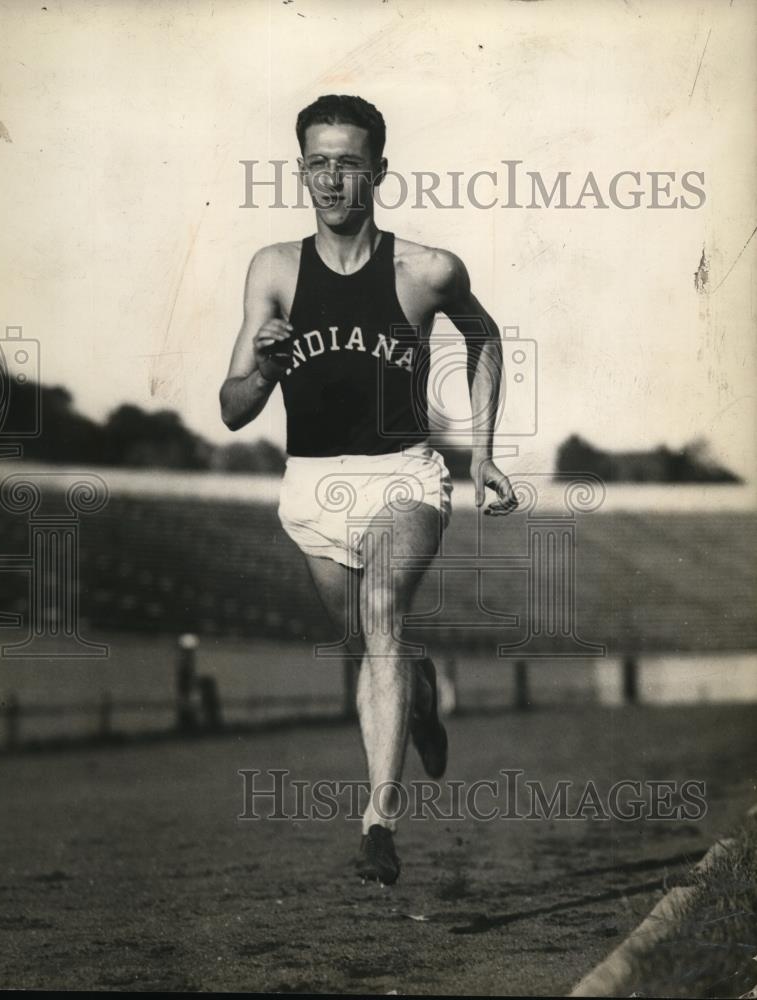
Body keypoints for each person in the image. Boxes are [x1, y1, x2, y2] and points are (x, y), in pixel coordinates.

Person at [220, 94, 517, 885]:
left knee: (383, 616)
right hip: (311, 487)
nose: (331, 179)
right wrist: (265, 367)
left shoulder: (426, 270)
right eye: (317, 162)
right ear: (300, 170)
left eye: (348, 163)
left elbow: (484, 338)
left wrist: (481, 452)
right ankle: (419, 693)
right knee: (370, 649)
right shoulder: (273, 270)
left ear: (377, 170)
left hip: (403, 475)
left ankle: (378, 824)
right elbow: (232, 407)